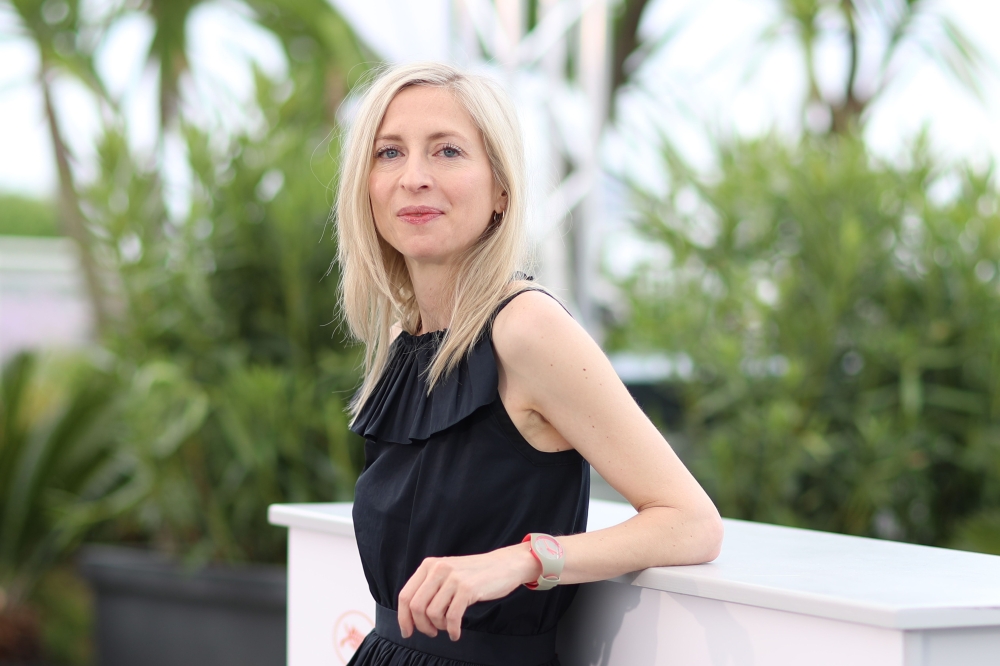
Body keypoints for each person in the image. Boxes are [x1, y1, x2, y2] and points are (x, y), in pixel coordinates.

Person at [336, 61, 723, 666]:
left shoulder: (527, 328)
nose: (414, 177)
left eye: (447, 152)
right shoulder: (400, 336)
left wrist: (522, 560)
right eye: (389, 153)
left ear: (501, 190)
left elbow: (692, 523)